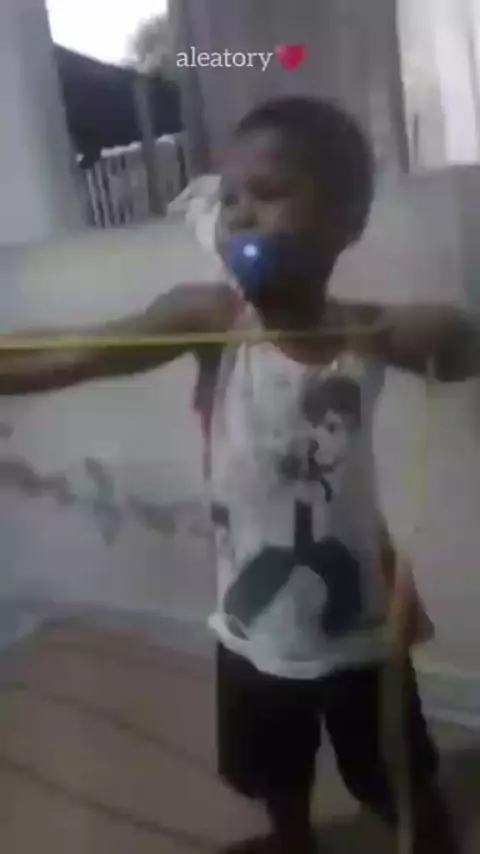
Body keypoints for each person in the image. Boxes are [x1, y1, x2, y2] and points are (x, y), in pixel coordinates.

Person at [0, 96, 475, 853]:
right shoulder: (211, 319)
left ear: (347, 222)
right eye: (229, 198)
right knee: (278, 784)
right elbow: (76, 353)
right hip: (252, 630)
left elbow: (458, 343)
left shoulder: (364, 329)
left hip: (360, 629)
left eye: (270, 192)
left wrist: (412, 330)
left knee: (398, 782)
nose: (241, 215)